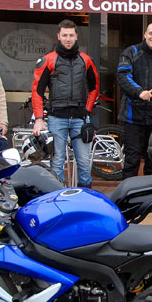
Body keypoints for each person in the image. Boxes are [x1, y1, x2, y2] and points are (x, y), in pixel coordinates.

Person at [32, 19, 99, 187]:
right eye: (64, 35)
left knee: (84, 163)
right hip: (57, 118)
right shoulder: (48, 60)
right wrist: (39, 118)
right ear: (58, 36)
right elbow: (37, 91)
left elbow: (94, 87)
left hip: (80, 118)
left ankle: (85, 198)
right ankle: (59, 197)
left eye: (71, 35)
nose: (68, 39)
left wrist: (87, 110)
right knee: (57, 163)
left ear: (76, 36)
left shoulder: (86, 60)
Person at [116, 21, 152, 179]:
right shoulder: (131, 52)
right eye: (151, 33)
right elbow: (122, 76)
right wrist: (139, 92)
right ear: (145, 35)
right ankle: (128, 192)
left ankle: (151, 192)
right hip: (133, 116)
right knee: (132, 158)